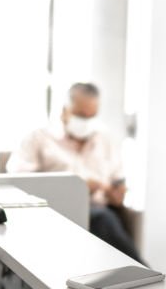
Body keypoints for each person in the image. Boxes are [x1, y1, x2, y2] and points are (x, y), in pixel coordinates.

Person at [8, 82, 142, 263]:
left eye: (91, 116)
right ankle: (143, 271)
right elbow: (17, 183)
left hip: (101, 209)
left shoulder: (105, 140)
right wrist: (77, 189)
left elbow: (118, 182)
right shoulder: (38, 139)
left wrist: (116, 193)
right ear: (65, 110)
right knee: (103, 219)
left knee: (106, 218)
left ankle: (135, 276)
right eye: (80, 115)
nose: (85, 122)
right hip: (55, 213)